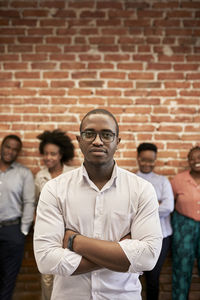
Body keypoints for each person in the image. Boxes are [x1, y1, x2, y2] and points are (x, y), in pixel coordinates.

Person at [34, 109, 162, 300]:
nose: (97, 141)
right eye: (89, 133)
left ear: (117, 142)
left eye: (107, 135)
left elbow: (148, 257)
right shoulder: (54, 189)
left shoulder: (141, 190)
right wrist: (118, 251)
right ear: (79, 140)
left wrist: (74, 241)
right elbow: (46, 259)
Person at [35, 129, 75, 300]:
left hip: (69, 233)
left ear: (61, 155)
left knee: (67, 276)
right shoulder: (40, 176)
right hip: (47, 233)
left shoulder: (73, 174)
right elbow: (37, 205)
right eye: (46, 154)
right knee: (47, 277)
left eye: (53, 154)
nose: (48, 157)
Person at [136, 142, 174, 300]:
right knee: (133, 278)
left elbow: (168, 207)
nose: (147, 163)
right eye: (143, 159)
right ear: (138, 158)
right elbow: (127, 210)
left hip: (162, 236)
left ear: (155, 160)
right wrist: (155, 204)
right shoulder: (131, 180)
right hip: (136, 237)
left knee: (153, 278)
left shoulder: (163, 181)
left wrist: (141, 209)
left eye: (151, 160)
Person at [0, 134, 35, 300]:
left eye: (15, 149)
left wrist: (22, 232)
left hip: (12, 231)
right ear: (2, 146)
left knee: (8, 278)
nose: (10, 151)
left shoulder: (24, 174)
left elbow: (29, 202)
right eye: (8, 147)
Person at [171, 146, 200, 300]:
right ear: (188, 160)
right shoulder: (178, 180)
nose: (196, 161)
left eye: (199, 157)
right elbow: (170, 204)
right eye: (192, 158)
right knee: (181, 268)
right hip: (183, 227)